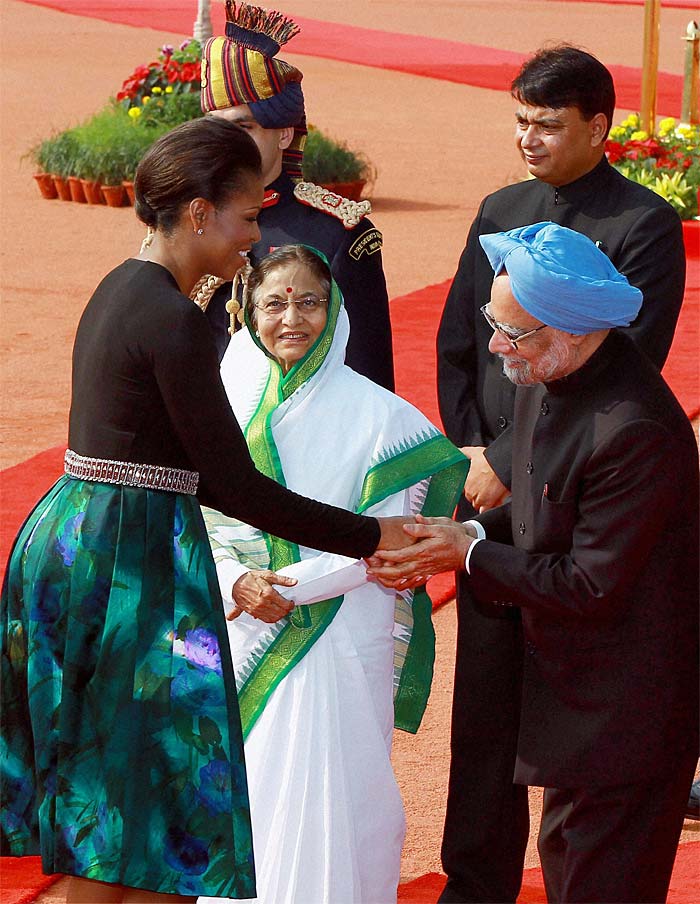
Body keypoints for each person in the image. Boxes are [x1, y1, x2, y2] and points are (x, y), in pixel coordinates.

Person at [0, 118, 414, 904]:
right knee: (129, 826)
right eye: (248, 217)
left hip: (90, 546)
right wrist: (373, 535)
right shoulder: (175, 321)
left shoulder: (123, 288)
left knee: (142, 818)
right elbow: (234, 486)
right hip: (127, 567)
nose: (253, 240)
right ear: (199, 214)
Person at [369, 222, 699, 904]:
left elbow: (589, 581)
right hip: (574, 710)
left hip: (628, 720)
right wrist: (459, 534)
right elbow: (543, 519)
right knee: (567, 866)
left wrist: (471, 552)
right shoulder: (543, 374)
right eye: (494, 322)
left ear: (571, 332)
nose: (495, 346)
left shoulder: (633, 431)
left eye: (512, 333)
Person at [434, 45, 687, 902]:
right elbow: (464, 349)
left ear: (598, 125)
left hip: (580, 539)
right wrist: (473, 468)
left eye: (547, 124)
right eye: (520, 121)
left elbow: (626, 363)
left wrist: (502, 481)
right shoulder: (502, 216)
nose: (528, 138)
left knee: (590, 805)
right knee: (491, 729)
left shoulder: (640, 229)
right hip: (505, 516)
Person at [195, 244, 467, 904]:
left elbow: (389, 540)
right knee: (246, 795)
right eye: (274, 303)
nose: (292, 319)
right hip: (238, 627)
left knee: (343, 799)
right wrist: (237, 581)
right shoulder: (213, 407)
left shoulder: (382, 420)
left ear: (336, 308)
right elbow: (190, 515)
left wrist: (285, 590)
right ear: (247, 311)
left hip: (343, 633)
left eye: (309, 301)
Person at [197, 0, 394, 390]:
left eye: (244, 128)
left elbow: (368, 376)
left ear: (283, 133)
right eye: (214, 128)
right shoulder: (192, 220)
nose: (225, 145)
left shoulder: (338, 234)